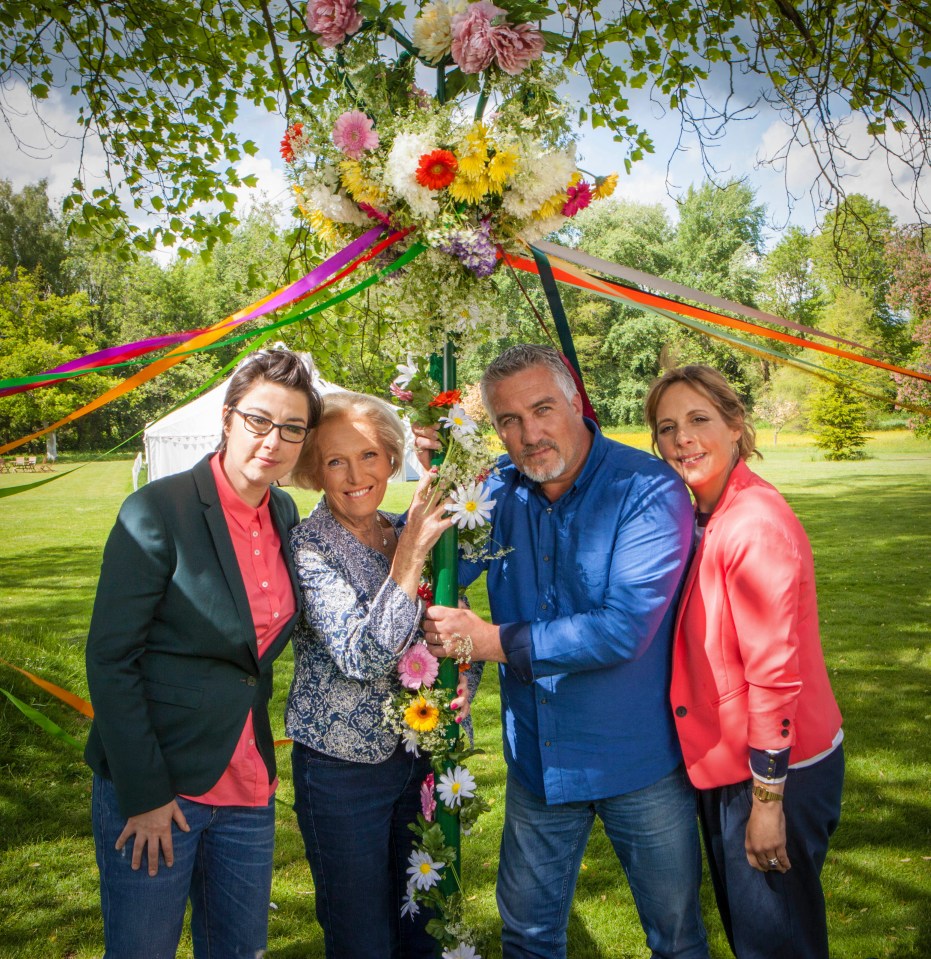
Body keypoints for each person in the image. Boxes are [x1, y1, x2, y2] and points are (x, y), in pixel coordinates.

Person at [420, 344, 708, 959]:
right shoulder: (498, 492)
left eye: (543, 409)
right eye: (508, 421)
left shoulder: (646, 489)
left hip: (637, 759)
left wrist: (493, 642)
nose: (528, 434)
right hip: (539, 762)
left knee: (676, 937)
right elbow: (441, 563)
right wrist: (435, 481)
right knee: (526, 934)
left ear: (576, 401)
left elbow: (622, 629)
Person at [84, 348, 322, 958]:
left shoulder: (286, 511)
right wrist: (146, 795)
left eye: (292, 429)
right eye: (259, 421)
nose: (273, 440)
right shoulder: (158, 510)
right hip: (160, 788)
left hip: (247, 786)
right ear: (227, 418)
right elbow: (112, 660)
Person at [644, 364, 844, 959]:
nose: (683, 438)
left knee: (776, 943)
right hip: (731, 762)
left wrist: (767, 802)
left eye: (700, 420)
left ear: (736, 427)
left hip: (776, 770)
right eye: (667, 427)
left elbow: (774, 676)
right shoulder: (706, 512)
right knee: (759, 937)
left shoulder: (754, 524)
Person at [286, 391, 468, 959]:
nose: (355, 474)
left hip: (418, 761)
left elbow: (452, 631)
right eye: (335, 461)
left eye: (368, 456)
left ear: (392, 458)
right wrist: (410, 553)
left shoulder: (404, 527)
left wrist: (462, 685)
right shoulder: (309, 546)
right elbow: (361, 656)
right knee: (362, 936)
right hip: (342, 773)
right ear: (315, 472)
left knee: (425, 919)